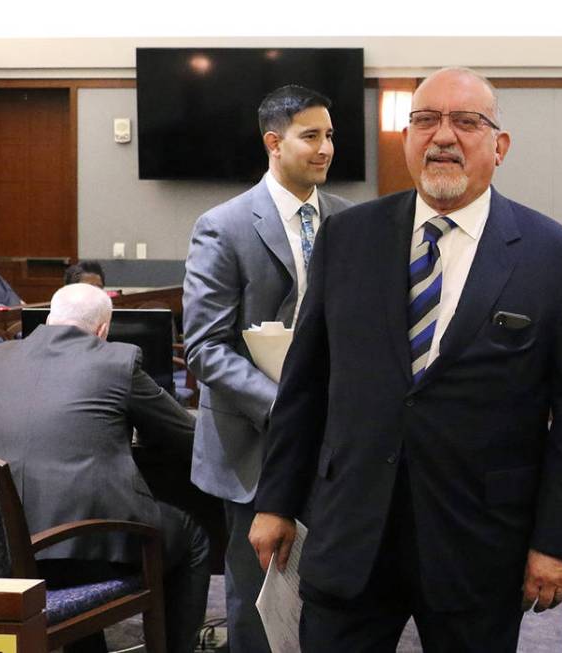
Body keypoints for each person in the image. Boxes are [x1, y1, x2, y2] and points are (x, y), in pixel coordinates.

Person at [249, 67, 562, 652]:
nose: (443, 136)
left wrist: (558, 542)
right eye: (425, 120)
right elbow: (306, 383)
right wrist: (276, 502)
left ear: (500, 146)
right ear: (408, 138)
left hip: (478, 542)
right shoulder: (347, 238)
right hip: (351, 530)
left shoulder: (557, 257)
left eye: (466, 122)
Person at [182, 84, 353, 652]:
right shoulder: (223, 225)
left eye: (330, 135)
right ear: (273, 143)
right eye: (311, 136)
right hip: (253, 441)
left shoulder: (349, 222)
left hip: (337, 440)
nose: (326, 148)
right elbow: (205, 348)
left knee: (331, 591)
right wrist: (287, 407)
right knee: (258, 600)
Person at [0, 283, 209, 653]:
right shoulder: (116, 360)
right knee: (192, 536)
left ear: (49, 319)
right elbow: (185, 437)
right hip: (86, 554)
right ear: (103, 329)